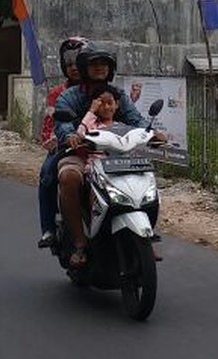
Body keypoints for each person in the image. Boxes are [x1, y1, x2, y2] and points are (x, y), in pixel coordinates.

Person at [56, 82, 167, 268]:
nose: (107, 107)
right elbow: (80, 133)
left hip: (123, 170)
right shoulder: (91, 125)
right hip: (98, 170)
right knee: (95, 195)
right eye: (102, 103)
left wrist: (156, 136)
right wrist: (88, 117)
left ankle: (145, 239)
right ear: (95, 104)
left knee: (147, 191)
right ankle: (83, 242)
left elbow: (142, 134)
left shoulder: (123, 126)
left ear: (117, 105)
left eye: (111, 103)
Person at [36, 36, 86, 248]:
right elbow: (49, 123)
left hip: (99, 147)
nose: (74, 68)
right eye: (69, 64)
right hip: (65, 146)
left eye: (78, 63)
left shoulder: (101, 89)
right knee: (47, 174)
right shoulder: (57, 93)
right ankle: (48, 228)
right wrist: (51, 140)